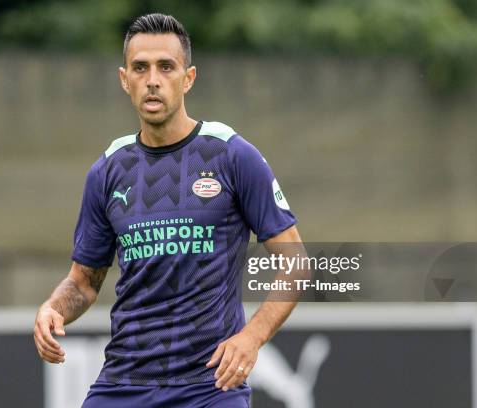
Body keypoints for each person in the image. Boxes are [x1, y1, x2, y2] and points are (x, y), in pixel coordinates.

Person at [33, 13, 303, 408]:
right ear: (125, 80)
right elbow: (84, 281)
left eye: (166, 67)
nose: (153, 79)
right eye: (140, 68)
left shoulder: (231, 155)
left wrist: (251, 338)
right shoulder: (108, 170)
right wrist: (52, 308)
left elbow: (294, 263)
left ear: (188, 78)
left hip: (208, 386)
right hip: (124, 382)